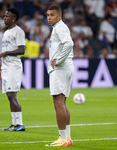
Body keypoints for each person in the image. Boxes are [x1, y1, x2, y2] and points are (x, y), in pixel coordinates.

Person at [45, 5, 74, 147]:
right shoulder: (58, 28)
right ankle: (67, 137)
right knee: (62, 102)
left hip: (61, 69)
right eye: (48, 15)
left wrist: (59, 60)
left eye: (52, 15)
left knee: (58, 102)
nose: (49, 17)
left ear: (59, 16)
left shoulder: (60, 27)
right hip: (66, 68)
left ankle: (62, 138)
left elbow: (69, 43)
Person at [0, 7, 25, 131]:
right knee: (9, 95)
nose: (4, 18)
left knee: (12, 95)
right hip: (6, 66)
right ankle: (14, 123)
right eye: (4, 16)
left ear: (14, 18)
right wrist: (0, 69)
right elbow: (4, 52)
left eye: (7, 16)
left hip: (14, 66)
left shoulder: (19, 32)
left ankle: (20, 124)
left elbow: (22, 50)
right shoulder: (6, 32)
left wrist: (5, 53)